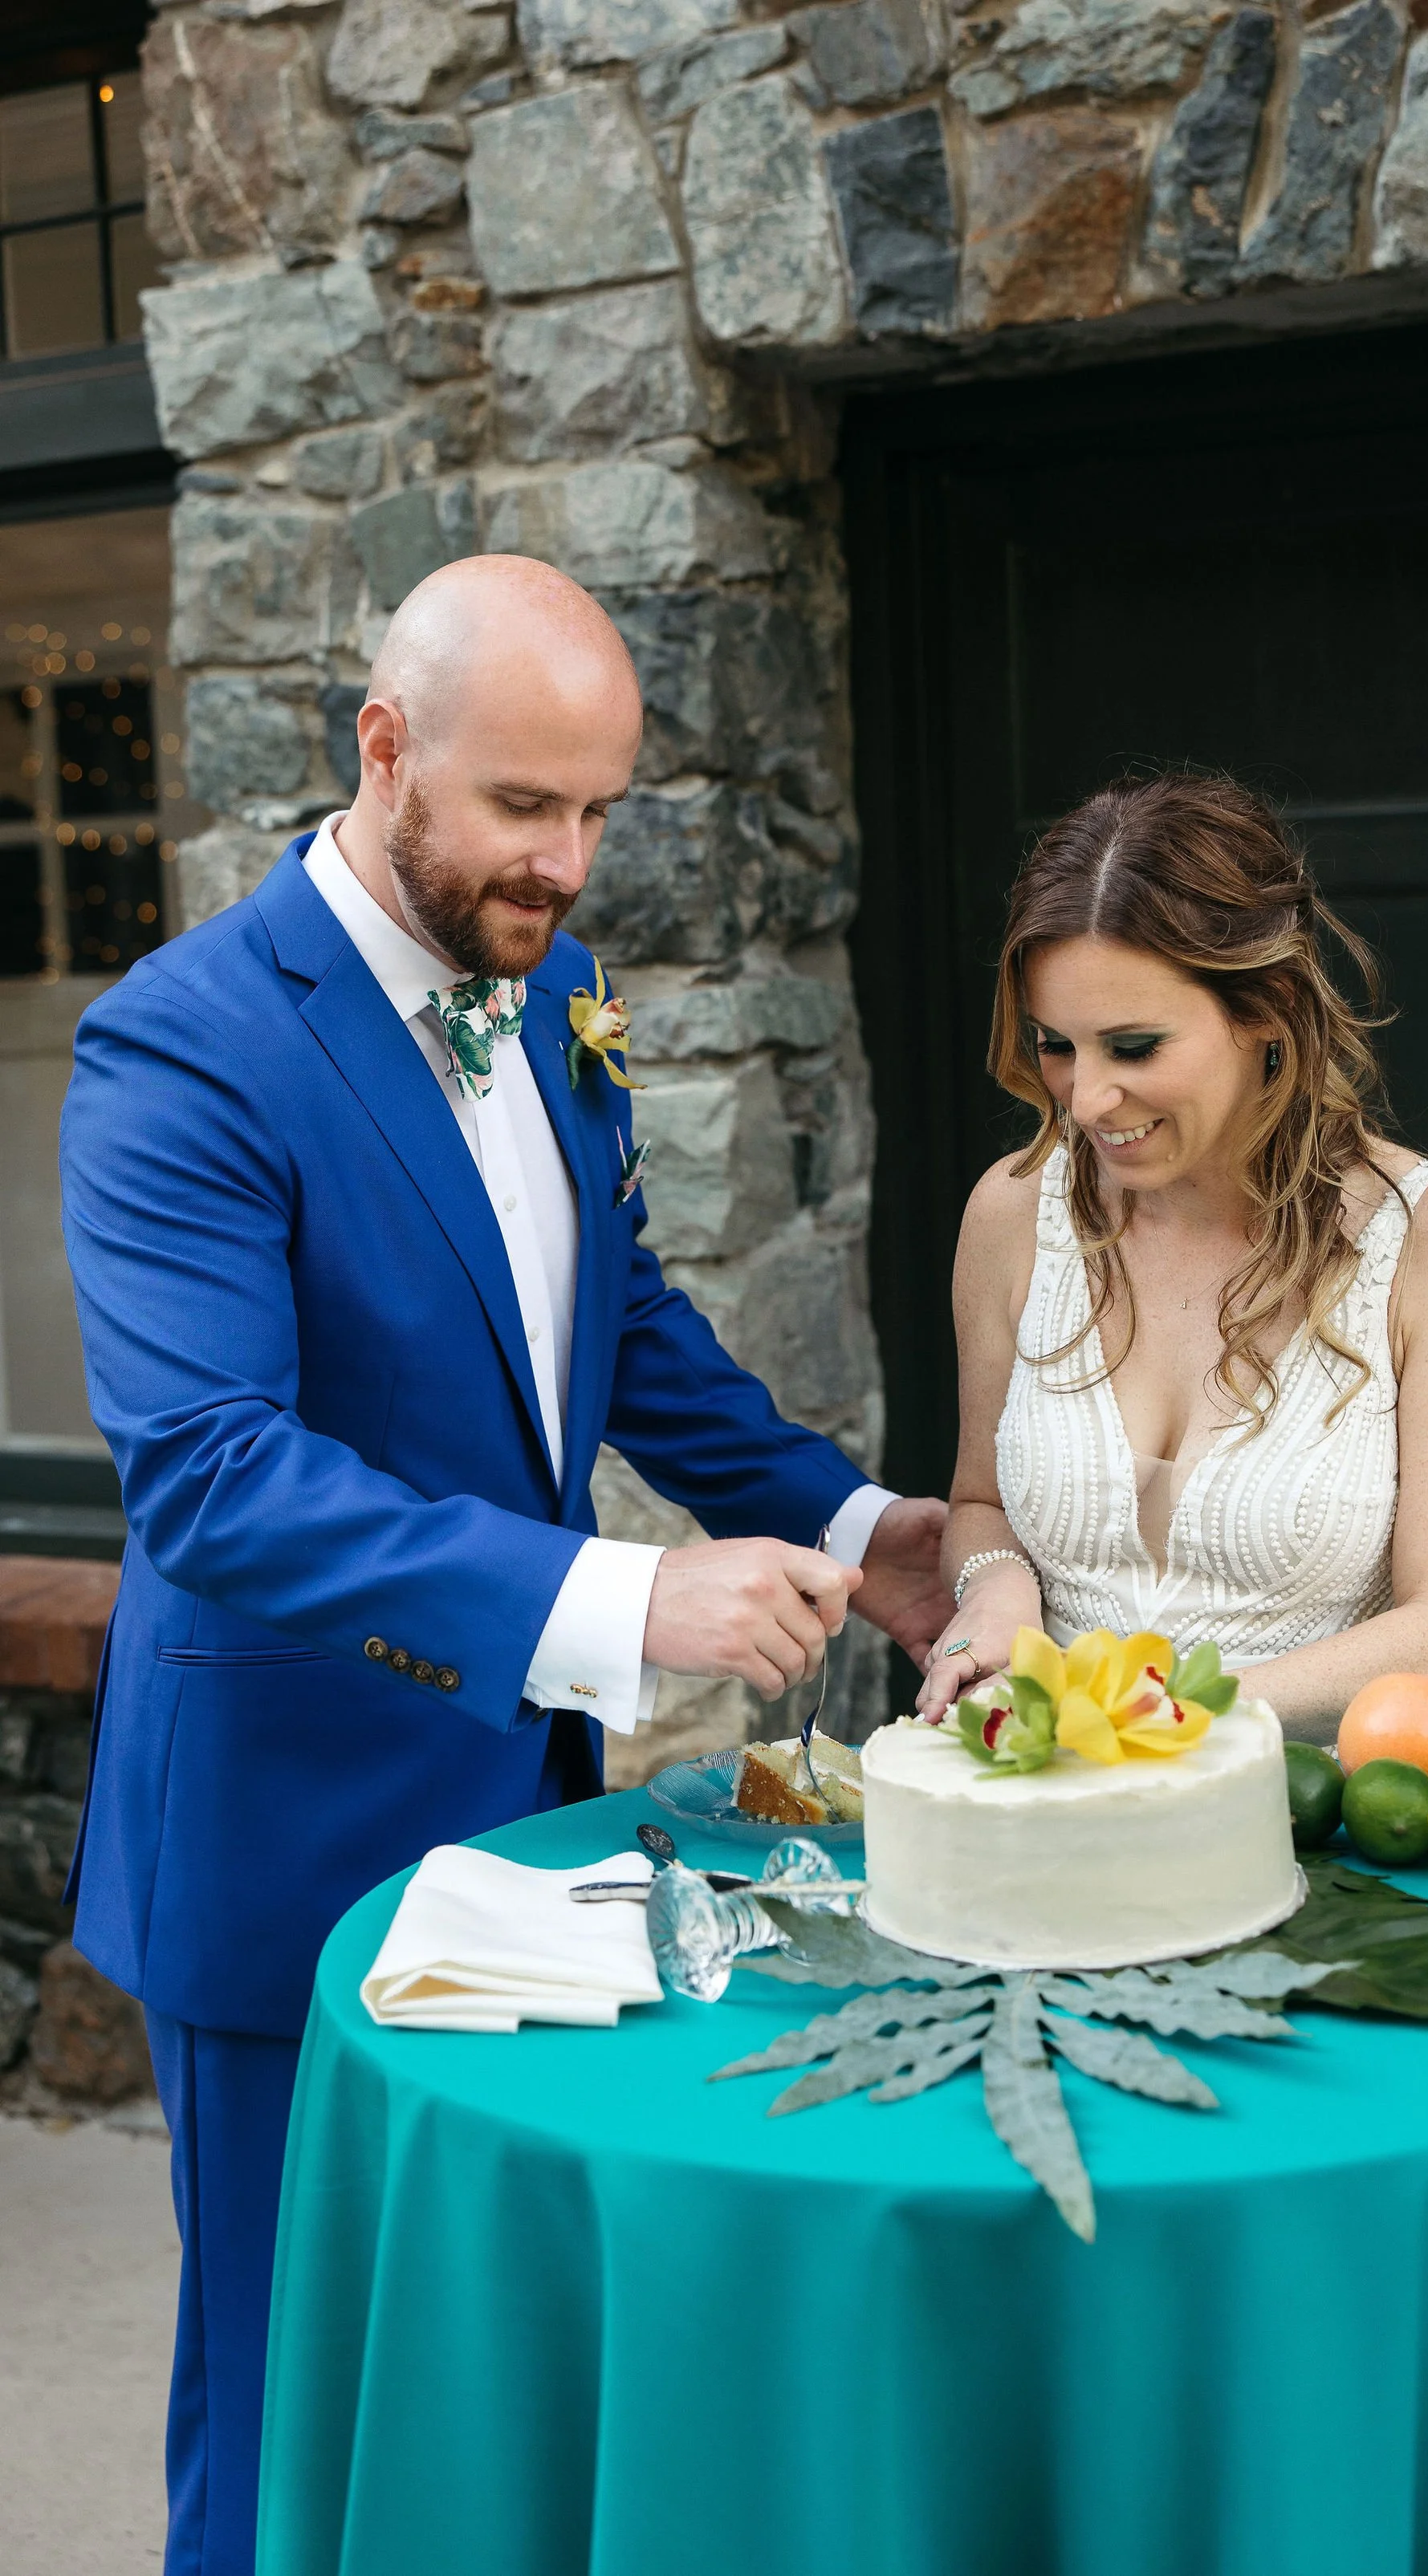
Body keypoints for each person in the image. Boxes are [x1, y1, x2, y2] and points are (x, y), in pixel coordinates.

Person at [59, 555, 948, 2576]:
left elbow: (616, 1331)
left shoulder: (544, 997)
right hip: (290, 1836)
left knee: (484, 2389)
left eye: (599, 810)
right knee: (292, 2407)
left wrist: (856, 1530)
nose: (566, 864)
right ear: (382, 750)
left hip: (522, 1831)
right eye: (523, 807)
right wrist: (636, 1603)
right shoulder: (177, 1048)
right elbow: (212, 1474)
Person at [916, 770, 1428, 1734]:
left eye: (1132, 1047)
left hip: (1315, 1842)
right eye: (1055, 1045)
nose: (1083, 1102)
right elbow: (977, 1502)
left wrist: (1159, 1721)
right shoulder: (1010, 1213)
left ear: (1265, 1011)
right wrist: (993, 1596)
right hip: (1041, 1817)